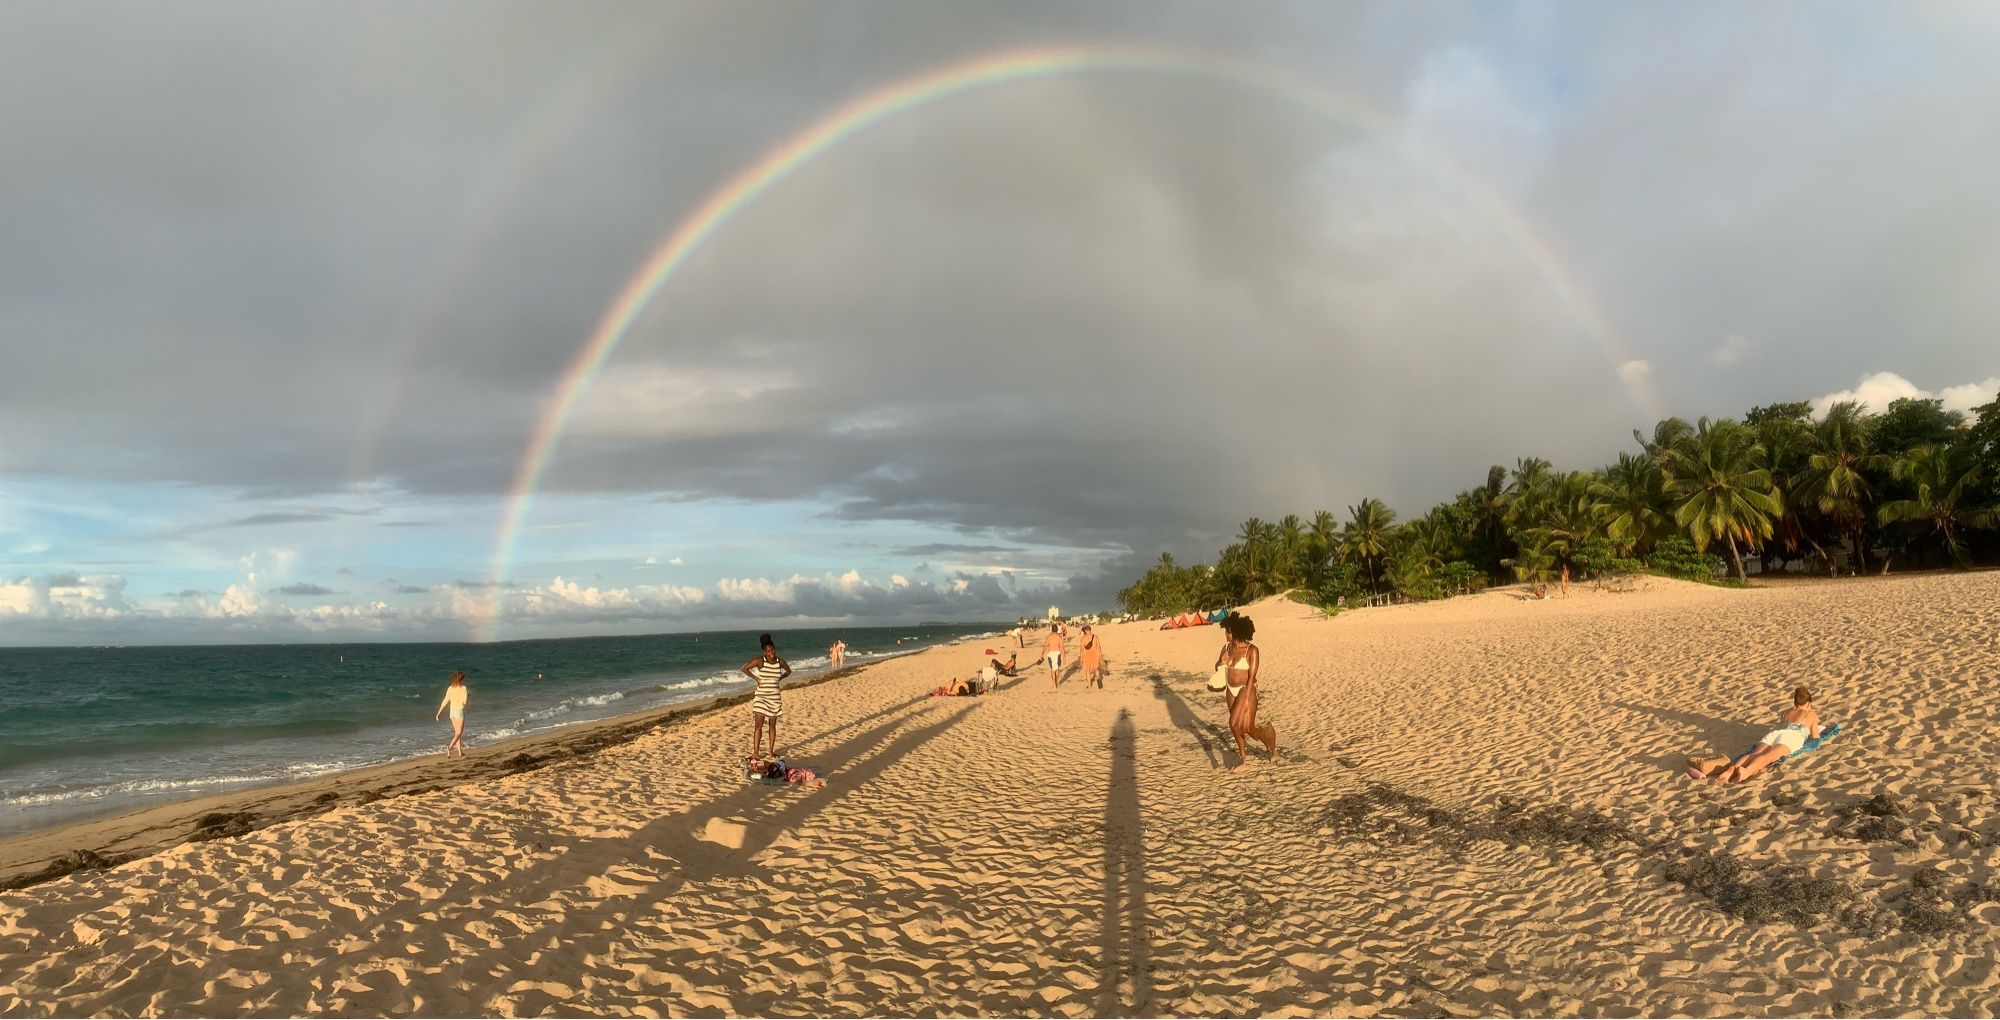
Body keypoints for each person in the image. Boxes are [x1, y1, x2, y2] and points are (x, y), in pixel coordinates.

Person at [1710, 686, 1821, 784]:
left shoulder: (1785, 713)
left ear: (1795, 701)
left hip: (1775, 734)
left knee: (1755, 753)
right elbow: (1815, 737)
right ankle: (1746, 772)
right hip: (1791, 737)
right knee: (1770, 756)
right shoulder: (1810, 714)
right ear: (1808, 703)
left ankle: (1731, 770)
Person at [1214, 615, 1277, 772]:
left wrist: (1246, 699)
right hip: (1230, 690)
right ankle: (1243, 759)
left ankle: (1269, 741)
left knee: (1247, 727)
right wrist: (1221, 662)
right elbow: (1217, 668)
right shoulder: (1226, 648)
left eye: (1227, 632)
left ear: (1234, 632)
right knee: (1236, 726)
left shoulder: (1252, 650)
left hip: (1246, 689)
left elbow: (1251, 677)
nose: (1226, 635)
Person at [741, 634, 792, 760]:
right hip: (761, 697)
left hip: (774, 698)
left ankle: (770, 751)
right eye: (768, 651)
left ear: (775, 648)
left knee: (772, 726)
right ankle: (756, 753)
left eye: (773, 650)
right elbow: (744, 668)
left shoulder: (780, 662)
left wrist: (780, 678)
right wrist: (756, 678)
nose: (771, 652)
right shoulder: (760, 661)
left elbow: (789, 671)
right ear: (764, 651)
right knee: (758, 725)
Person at [433, 671, 470, 758]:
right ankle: (449, 747)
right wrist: (468, 696)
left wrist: (438, 713)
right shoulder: (464, 688)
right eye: (463, 679)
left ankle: (460, 752)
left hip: (452, 712)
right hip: (459, 711)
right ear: (460, 680)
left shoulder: (450, 688)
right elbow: (464, 702)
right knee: (459, 733)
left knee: (457, 732)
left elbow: (445, 701)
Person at [1080, 624, 1105, 689]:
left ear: (1085, 631)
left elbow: (1082, 649)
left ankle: (1089, 685)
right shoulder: (1095, 637)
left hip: (1087, 655)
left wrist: (1081, 658)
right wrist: (1100, 656)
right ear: (1090, 630)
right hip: (1095, 654)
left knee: (1087, 670)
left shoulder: (1083, 638)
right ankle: (1098, 679)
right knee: (1096, 668)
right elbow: (1099, 647)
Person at [1043, 624, 1067, 689]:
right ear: (1056, 629)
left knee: (1052, 669)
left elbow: (1045, 647)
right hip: (1057, 653)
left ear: (1051, 629)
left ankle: (1054, 684)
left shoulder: (1048, 637)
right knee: (1057, 669)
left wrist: (1041, 655)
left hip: (1050, 654)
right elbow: (1062, 647)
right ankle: (1056, 681)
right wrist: (1064, 656)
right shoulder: (1059, 637)